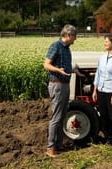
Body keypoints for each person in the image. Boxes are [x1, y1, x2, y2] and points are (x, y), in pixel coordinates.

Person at [43, 24, 77, 158]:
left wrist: (74, 71)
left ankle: (59, 145)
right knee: (56, 117)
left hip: (65, 84)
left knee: (63, 115)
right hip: (57, 85)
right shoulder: (55, 46)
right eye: (74, 36)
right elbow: (46, 64)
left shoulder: (67, 49)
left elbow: (66, 66)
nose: (75, 39)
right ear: (68, 35)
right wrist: (58, 70)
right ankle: (50, 147)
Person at [92, 34, 112, 145]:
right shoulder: (102, 57)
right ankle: (109, 138)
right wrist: (95, 90)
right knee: (104, 116)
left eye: (107, 41)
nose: (104, 43)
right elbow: (98, 74)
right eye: (104, 41)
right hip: (101, 90)